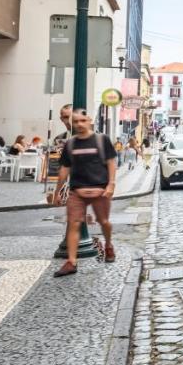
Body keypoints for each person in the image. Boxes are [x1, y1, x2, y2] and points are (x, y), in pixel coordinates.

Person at [53, 109, 117, 277]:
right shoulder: (71, 144)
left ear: (89, 120)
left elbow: (111, 162)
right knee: (73, 224)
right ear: (72, 124)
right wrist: (57, 192)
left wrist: (111, 184)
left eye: (82, 120)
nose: (79, 124)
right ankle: (72, 262)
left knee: (104, 222)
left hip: (99, 189)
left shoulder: (102, 140)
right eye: (76, 122)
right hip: (77, 191)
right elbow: (64, 169)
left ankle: (109, 245)